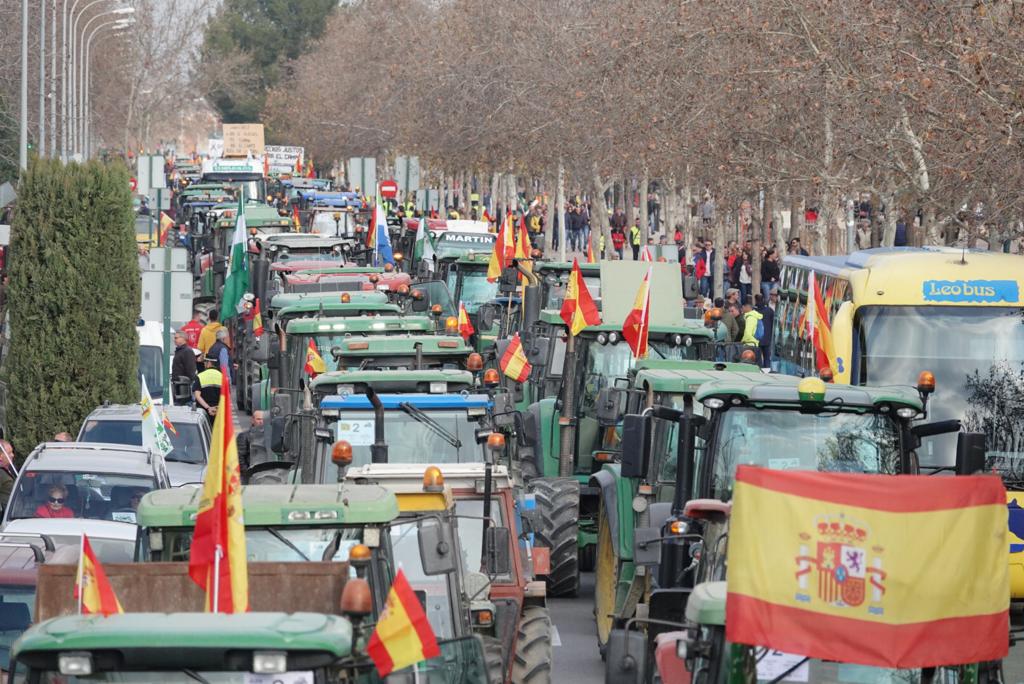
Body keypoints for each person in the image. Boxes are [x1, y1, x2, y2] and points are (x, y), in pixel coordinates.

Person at [193, 354, 223, 425]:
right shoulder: (223, 377)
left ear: (209, 363)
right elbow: (226, 396)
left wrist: (208, 408)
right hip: (218, 412)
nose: (204, 364)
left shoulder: (200, 376)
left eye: (205, 362)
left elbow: (197, 395)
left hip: (203, 412)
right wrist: (216, 408)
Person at [171, 330, 198, 405]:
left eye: (176, 338)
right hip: (178, 388)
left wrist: (187, 385)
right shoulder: (180, 351)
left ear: (183, 339)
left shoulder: (187, 351)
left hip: (184, 390)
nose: (174, 340)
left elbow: (191, 371)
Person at [740, 299, 764, 364]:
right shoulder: (755, 316)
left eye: (742, 307)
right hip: (756, 344)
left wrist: (743, 341)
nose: (742, 309)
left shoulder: (750, 317)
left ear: (746, 307)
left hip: (749, 345)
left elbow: (748, 333)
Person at [755, 293, 775, 370]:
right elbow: (773, 323)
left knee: (758, 358)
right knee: (767, 358)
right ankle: (767, 371)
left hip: (757, 339)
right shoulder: (770, 311)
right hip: (767, 338)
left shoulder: (754, 311)